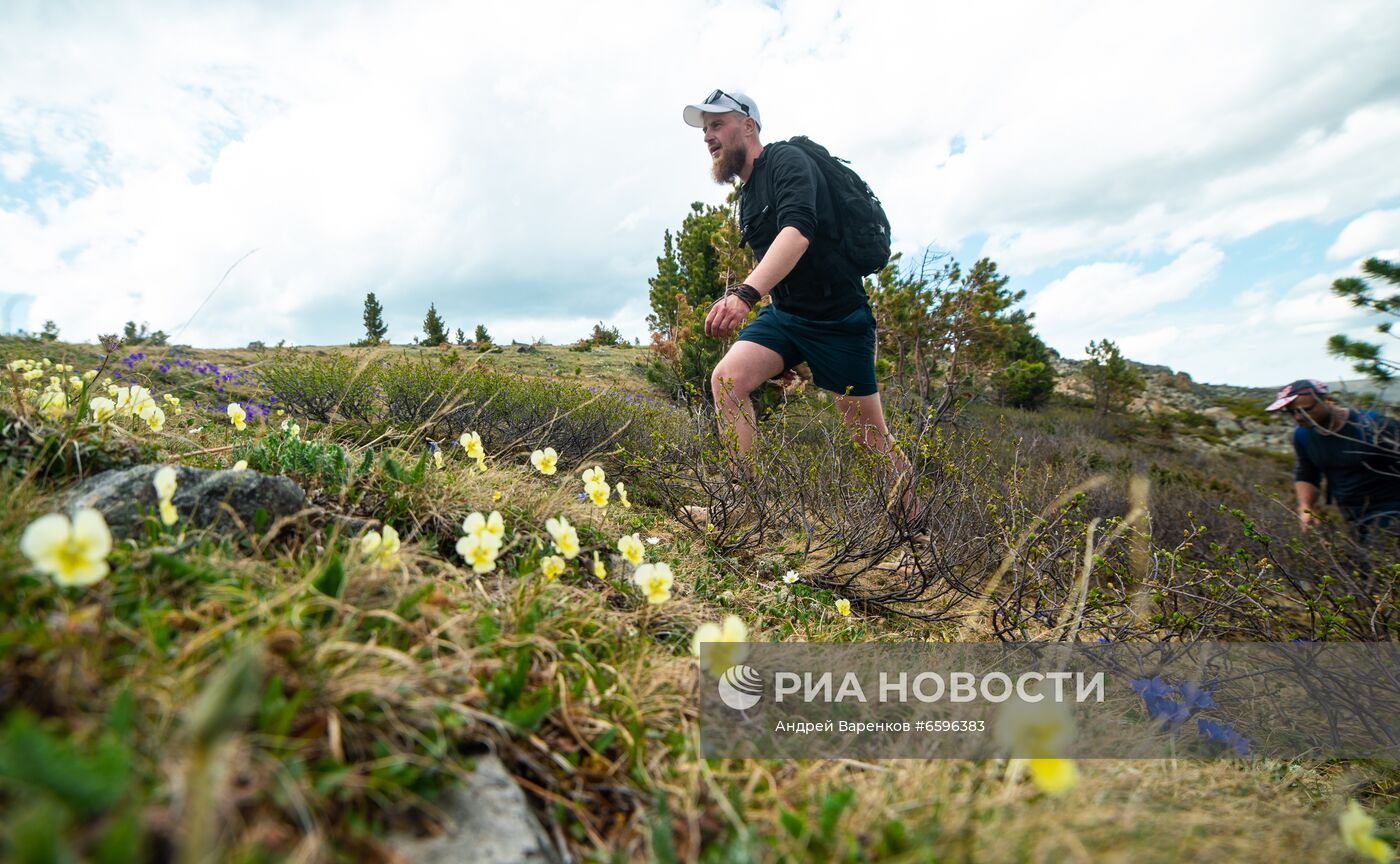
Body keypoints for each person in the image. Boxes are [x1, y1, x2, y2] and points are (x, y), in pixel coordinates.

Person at [681, 88, 912, 509]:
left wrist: (744, 295)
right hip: (787, 316)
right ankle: (744, 508)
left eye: (717, 125)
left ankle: (917, 530)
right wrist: (781, 353)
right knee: (727, 381)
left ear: (748, 126)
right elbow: (779, 263)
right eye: (704, 129)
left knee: (869, 437)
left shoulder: (787, 160)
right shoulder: (749, 193)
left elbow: (798, 232)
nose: (708, 136)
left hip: (838, 320)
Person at [1266, 378, 1400, 538]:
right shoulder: (1302, 435)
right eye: (1291, 412)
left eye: (1305, 410)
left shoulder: (1372, 425)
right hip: (1353, 517)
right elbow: (1307, 472)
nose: (1298, 417)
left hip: (1393, 509)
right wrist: (1305, 507)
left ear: (1327, 400)